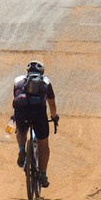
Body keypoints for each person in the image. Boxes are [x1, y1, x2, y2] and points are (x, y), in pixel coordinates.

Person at [12, 60, 59, 188]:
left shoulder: (18, 80)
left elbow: (15, 97)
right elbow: (52, 104)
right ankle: (43, 175)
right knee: (43, 143)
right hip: (38, 113)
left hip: (22, 111)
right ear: (42, 72)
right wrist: (54, 117)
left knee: (21, 130)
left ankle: (22, 149)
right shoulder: (46, 82)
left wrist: (15, 116)